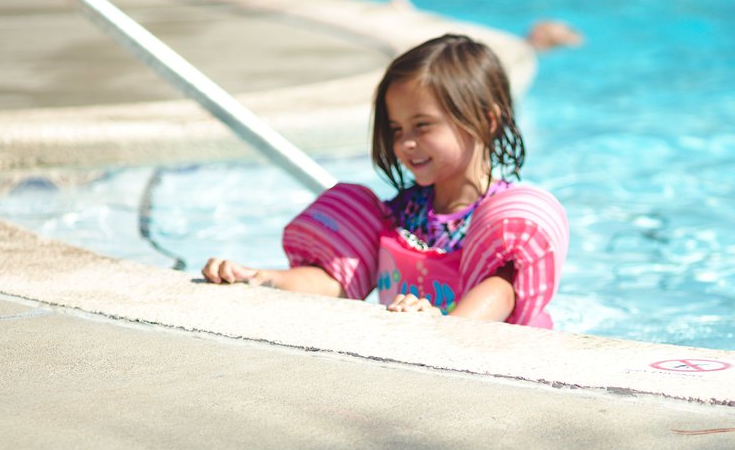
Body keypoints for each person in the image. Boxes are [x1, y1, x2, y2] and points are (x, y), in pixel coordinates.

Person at [202, 34, 569, 328]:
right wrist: (264, 278)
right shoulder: (399, 214)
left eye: (422, 126)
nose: (405, 143)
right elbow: (334, 285)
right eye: (396, 129)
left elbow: (501, 294)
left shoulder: (498, 226)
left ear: (487, 121)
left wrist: (442, 329)